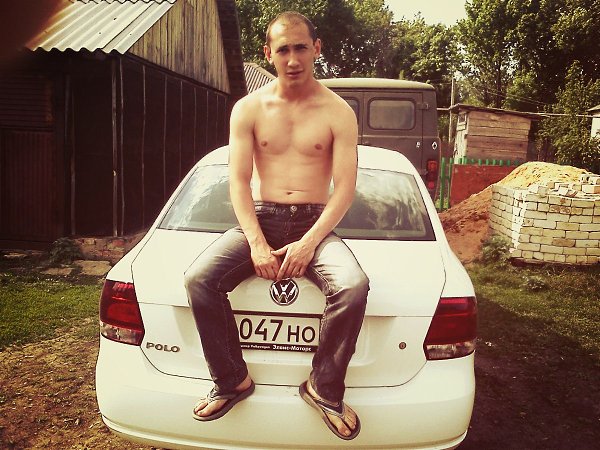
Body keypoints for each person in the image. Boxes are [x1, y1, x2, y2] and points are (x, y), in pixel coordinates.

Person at [184, 11, 369, 440]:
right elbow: (237, 181)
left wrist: (308, 243)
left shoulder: (338, 112)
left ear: (316, 49)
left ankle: (323, 388)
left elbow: (345, 188)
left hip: (314, 223)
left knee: (353, 286)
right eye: (283, 49)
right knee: (199, 279)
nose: (292, 59)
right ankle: (231, 380)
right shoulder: (248, 109)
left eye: (301, 47)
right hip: (262, 218)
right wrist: (255, 242)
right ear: (268, 53)